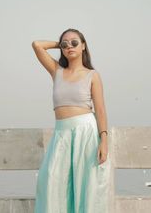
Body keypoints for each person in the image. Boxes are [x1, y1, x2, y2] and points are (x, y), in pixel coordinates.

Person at [32, 28, 110, 213]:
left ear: (84, 46)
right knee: (51, 180)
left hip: (86, 132)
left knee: (85, 187)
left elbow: (100, 109)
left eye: (75, 42)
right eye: (65, 44)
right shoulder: (57, 71)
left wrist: (104, 140)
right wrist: (59, 44)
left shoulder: (92, 75)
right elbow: (37, 45)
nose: (69, 46)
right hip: (61, 134)